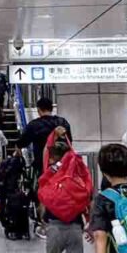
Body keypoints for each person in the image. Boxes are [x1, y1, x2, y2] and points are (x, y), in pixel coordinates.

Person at [40, 131, 90, 253]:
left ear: (52, 156)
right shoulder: (76, 171)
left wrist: (52, 134)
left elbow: (46, 151)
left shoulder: (50, 171)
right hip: (75, 226)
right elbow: (88, 195)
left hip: (54, 226)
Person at [17, 97, 73, 238]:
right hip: (63, 165)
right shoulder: (62, 123)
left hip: (43, 166)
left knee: (42, 193)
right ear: (52, 108)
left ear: (38, 110)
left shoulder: (34, 125)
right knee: (61, 191)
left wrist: (18, 151)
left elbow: (22, 142)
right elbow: (69, 141)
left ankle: (43, 223)